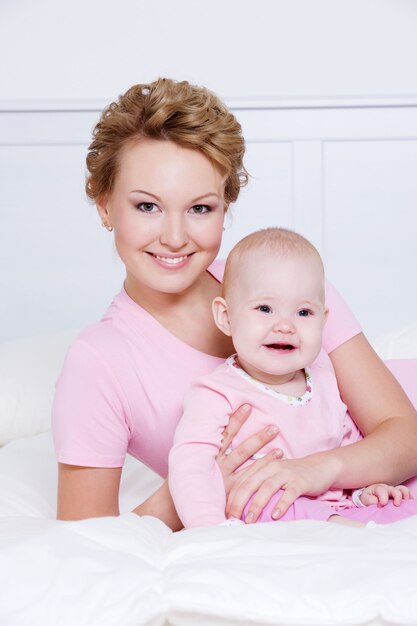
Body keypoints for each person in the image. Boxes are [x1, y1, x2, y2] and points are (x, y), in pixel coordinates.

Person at [52, 77, 417, 525]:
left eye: (200, 208)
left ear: (226, 208)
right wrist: (201, 482)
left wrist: (314, 470)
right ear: (105, 206)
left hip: (377, 486)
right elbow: (83, 539)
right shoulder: (100, 361)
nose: (174, 236)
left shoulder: (283, 280)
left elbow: (404, 433)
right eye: (147, 206)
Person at [169, 228, 415, 528]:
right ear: (226, 316)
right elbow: (191, 466)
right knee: (258, 497)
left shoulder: (323, 374)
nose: (285, 325)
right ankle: (345, 528)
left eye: (303, 313)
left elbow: (349, 442)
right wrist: (208, 530)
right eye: (264, 308)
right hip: (273, 502)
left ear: (324, 320)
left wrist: (366, 490)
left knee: (400, 492)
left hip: (332, 495)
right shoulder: (216, 393)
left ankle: (362, 521)